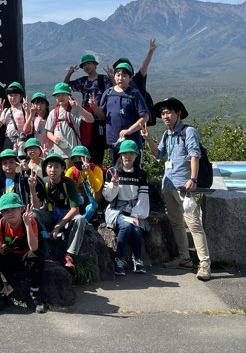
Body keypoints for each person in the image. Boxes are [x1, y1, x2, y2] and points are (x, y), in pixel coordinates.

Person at [142, 97, 211, 281]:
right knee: (176, 222)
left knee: (193, 223)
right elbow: (158, 155)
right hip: (168, 184)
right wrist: (149, 139)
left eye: (168, 112)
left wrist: (193, 179)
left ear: (178, 113)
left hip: (184, 186)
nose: (165, 116)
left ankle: (204, 264)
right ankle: (184, 258)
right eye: (163, 113)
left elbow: (194, 155)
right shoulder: (166, 135)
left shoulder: (188, 132)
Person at [0, 193, 46, 313]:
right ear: (2, 213)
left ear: (21, 209)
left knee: (37, 256)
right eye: (6, 210)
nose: (10, 213)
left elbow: (34, 247)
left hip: (26, 257)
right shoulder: (0, 224)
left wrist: (27, 225)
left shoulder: (30, 221)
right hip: (9, 257)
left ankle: (35, 294)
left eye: (13, 209)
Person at [103, 140, 149, 276]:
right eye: (125, 153)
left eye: (131, 153)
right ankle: (119, 259)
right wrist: (114, 185)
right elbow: (108, 197)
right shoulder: (112, 172)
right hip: (116, 209)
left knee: (136, 228)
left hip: (134, 208)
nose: (128, 157)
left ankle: (138, 259)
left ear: (136, 155)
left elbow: (143, 197)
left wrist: (135, 214)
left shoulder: (141, 174)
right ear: (120, 155)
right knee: (126, 226)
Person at [33, 152, 87, 270]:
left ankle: (69, 254)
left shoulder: (68, 183)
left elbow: (75, 209)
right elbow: (37, 206)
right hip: (51, 214)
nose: (53, 170)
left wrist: (58, 226)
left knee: (80, 219)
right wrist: (32, 189)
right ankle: (45, 250)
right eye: (50, 166)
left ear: (62, 169)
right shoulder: (45, 182)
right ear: (45, 169)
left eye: (56, 166)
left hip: (66, 214)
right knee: (33, 214)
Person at [64, 54, 111, 164]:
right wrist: (69, 73)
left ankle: (98, 170)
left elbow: (114, 89)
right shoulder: (83, 81)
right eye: (84, 65)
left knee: (98, 147)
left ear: (95, 64)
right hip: (85, 118)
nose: (87, 67)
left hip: (99, 118)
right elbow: (65, 86)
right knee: (86, 146)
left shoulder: (103, 79)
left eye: (89, 63)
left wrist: (112, 77)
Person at [99, 62, 149, 166]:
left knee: (133, 173)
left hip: (132, 144)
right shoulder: (108, 93)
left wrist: (129, 130)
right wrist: (94, 107)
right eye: (118, 75)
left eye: (124, 75)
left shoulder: (134, 94)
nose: (120, 78)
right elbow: (102, 115)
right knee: (116, 173)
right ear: (114, 76)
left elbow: (145, 117)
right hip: (114, 143)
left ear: (130, 77)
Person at [45, 82, 94, 161]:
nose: (60, 98)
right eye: (58, 95)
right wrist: (53, 138)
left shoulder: (75, 110)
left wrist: (78, 107)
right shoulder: (53, 112)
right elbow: (48, 131)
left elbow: (91, 119)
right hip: (59, 153)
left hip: (74, 153)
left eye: (63, 95)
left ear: (69, 96)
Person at [65, 145, 104, 214]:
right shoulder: (71, 171)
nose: (77, 161)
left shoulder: (96, 170)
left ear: (88, 159)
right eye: (74, 159)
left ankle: (95, 210)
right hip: (80, 198)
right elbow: (65, 188)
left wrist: (89, 172)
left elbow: (96, 188)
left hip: (93, 196)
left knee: (97, 189)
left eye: (80, 158)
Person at [0, 82, 28, 150]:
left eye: (16, 95)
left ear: (20, 96)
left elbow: (29, 126)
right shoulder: (6, 110)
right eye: (11, 95)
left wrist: (27, 111)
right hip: (9, 139)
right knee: (8, 159)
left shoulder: (24, 108)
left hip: (22, 139)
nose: (13, 97)